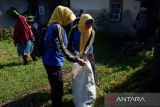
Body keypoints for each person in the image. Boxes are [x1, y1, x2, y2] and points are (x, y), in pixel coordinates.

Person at [42, 5, 86, 107]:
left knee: (56, 86)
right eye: (67, 17)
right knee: (58, 89)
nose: (69, 21)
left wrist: (76, 54)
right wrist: (77, 60)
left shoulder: (53, 26)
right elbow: (62, 49)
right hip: (52, 61)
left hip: (49, 60)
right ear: (62, 16)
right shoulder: (57, 27)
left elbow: (65, 46)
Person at [68, 14, 96, 79]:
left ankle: (92, 85)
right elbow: (69, 44)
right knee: (78, 72)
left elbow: (89, 44)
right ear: (82, 22)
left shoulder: (92, 32)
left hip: (88, 54)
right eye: (87, 23)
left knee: (91, 69)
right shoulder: (74, 30)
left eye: (91, 24)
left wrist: (84, 54)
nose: (89, 25)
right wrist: (75, 53)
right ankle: (79, 86)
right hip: (76, 54)